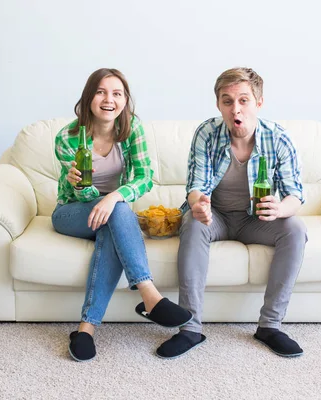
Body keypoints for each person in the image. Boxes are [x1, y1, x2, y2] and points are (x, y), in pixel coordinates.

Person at [156, 67, 307, 359]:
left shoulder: (278, 138)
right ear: (218, 104)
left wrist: (280, 209)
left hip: (257, 220)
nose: (235, 109)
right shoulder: (207, 133)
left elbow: (296, 194)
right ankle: (190, 329)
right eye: (227, 101)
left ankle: (270, 326)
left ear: (258, 103)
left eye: (243, 100)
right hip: (218, 217)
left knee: (296, 229)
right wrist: (199, 203)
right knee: (192, 222)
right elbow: (196, 184)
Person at [52, 68, 192, 362]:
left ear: (125, 100)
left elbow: (145, 177)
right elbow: (82, 195)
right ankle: (150, 296)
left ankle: (85, 329)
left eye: (117, 93)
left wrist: (114, 197)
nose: (109, 99)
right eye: (101, 92)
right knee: (117, 212)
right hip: (71, 212)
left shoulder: (132, 130)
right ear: (89, 97)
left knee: (113, 219)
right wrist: (85, 188)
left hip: (112, 211)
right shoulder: (68, 137)